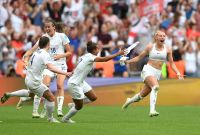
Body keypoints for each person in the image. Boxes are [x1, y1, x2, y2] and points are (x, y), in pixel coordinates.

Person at [1, 36, 71, 123]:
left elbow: (28, 57)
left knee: (31, 94)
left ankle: (10, 94)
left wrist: (26, 61)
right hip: (35, 82)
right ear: (48, 44)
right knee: (51, 98)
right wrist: (65, 73)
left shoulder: (36, 52)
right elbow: (51, 68)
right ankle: (50, 118)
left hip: (29, 78)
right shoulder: (45, 54)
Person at [121, 31, 184, 117]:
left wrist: (178, 73)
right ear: (156, 37)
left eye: (164, 36)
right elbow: (139, 57)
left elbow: (172, 63)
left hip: (157, 73)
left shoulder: (168, 49)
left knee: (141, 96)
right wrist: (127, 61)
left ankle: (129, 101)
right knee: (156, 87)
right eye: (160, 36)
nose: (162, 37)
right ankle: (152, 110)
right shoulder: (150, 47)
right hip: (148, 70)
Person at [17, 19, 72, 118]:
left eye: (49, 27)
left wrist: (60, 56)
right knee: (44, 86)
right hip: (48, 65)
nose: (47, 29)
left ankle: (59, 110)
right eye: (45, 27)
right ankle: (37, 110)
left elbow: (69, 52)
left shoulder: (62, 36)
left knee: (60, 85)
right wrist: (25, 56)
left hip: (61, 64)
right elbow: (32, 49)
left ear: (54, 27)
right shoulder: (43, 38)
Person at [61, 41, 125, 123]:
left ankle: (74, 104)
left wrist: (74, 72)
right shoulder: (91, 57)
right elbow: (104, 59)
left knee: (93, 97)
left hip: (81, 82)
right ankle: (65, 119)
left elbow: (79, 66)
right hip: (74, 83)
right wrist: (117, 54)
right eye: (98, 48)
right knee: (79, 107)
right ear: (94, 50)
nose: (99, 50)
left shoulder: (85, 56)